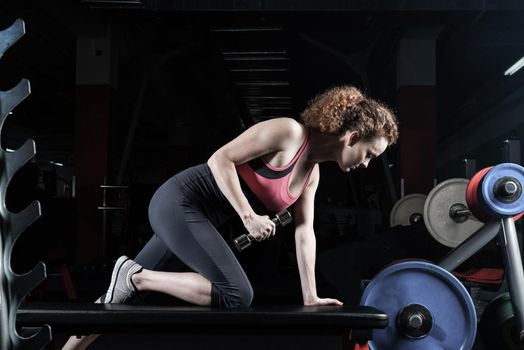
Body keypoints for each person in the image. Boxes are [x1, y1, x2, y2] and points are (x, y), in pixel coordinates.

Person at [62, 85, 398, 349]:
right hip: (179, 201)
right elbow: (219, 159)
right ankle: (137, 277)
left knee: (117, 299)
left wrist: (309, 295)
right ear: (353, 137)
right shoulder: (289, 133)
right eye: (370, 154)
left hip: (194, 218)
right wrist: (249, 216)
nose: (366, 164)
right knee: (237, 295)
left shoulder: (312, 176)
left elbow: (303, 232)